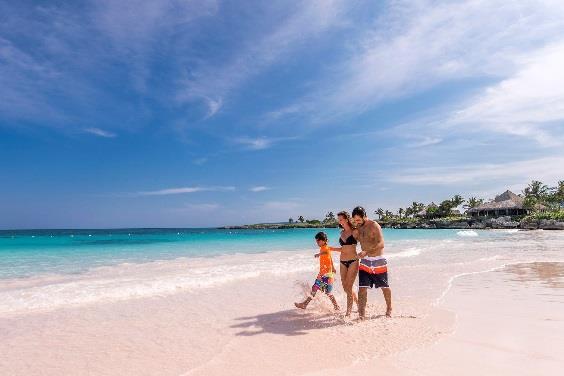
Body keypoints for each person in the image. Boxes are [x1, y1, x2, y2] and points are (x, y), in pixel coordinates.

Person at [351, 206, 392, 319]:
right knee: (362, 288)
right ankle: (362, 314)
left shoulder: (374, 225)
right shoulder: (358, 227)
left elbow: (381, 243)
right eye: (355, 220)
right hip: (365, 261)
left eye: (359, 220)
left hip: (378, 260)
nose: (357, 222)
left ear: (364, 216)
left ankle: (389, 308)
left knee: (384, 286)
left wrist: (367, 251)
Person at [294, 232, 340, 311]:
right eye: (316, 241)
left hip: (327, 275)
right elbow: (330, 258)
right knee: (315, 288)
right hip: (322, 274)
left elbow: (326, 252)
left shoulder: (325, 248)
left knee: (327, 292)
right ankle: (305, 304)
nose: (317, 243)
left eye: (318, 241)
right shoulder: (324, 248)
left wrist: (319, 254)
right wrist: (333, 267)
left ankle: (336, 306)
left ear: (323, 240)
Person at [329, 211, 359, 317]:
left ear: (346, 219)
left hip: (353, 261)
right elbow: (343, 248)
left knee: (349, 286)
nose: (340, 222)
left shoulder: (355, 231)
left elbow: (365, 242)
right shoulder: (341, 233)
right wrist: (332, 249)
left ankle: (348, 312)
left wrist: (366, 252)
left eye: (341, 219)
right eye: (339, 220)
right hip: (342, 262)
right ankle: (358, 304)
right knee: (345, 287)